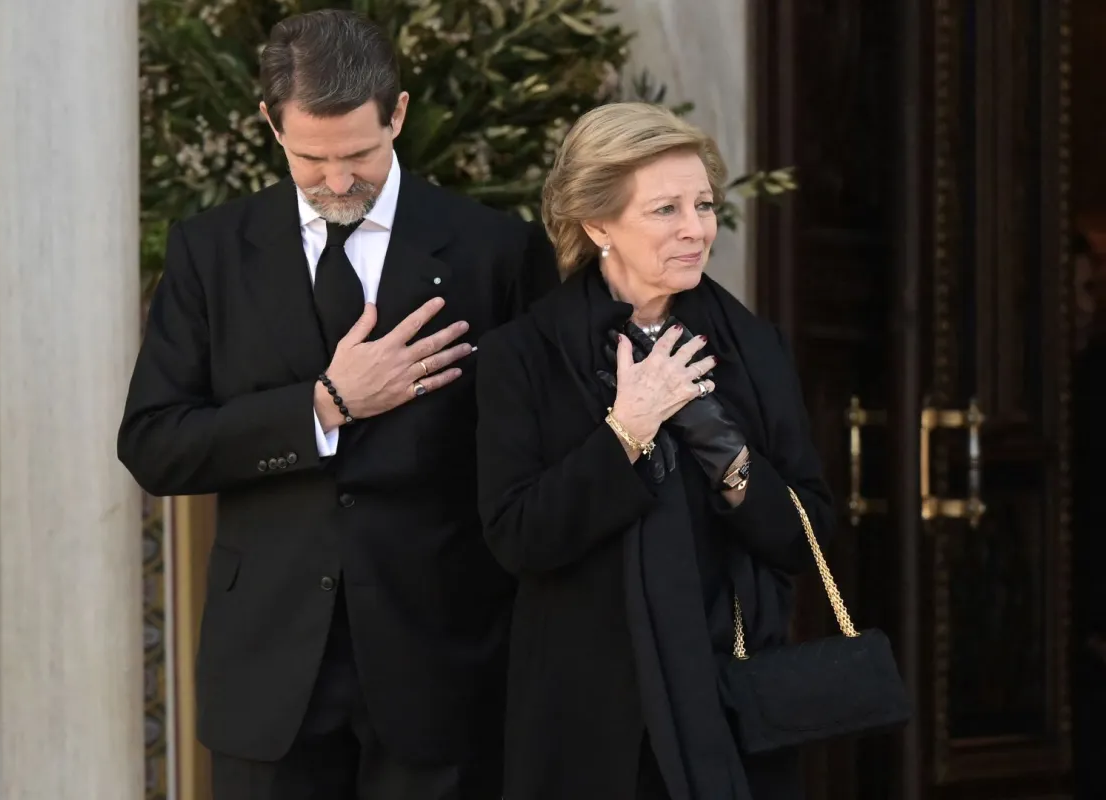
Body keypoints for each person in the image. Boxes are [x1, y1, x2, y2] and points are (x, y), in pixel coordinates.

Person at [117, 10, 558, 799]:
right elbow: (154, 444)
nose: (338, 180)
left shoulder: (498, 251)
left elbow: (532, 460)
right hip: (268, 675)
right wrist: (323, 405)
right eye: (310, 158)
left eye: (359, 153)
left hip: (445, 666)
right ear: (269, 125)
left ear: (398, 114)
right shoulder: (210, 251)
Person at [474, 102, 835, 800]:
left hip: (729, 700)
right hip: (588, 724)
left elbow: (807, 535)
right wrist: (627, 431)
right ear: (597, 222)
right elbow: (517, 537)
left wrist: (725, 454)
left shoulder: (752, 347)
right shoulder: (523, 356)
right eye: (666, 209)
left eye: (702, 204)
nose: (697, 230)